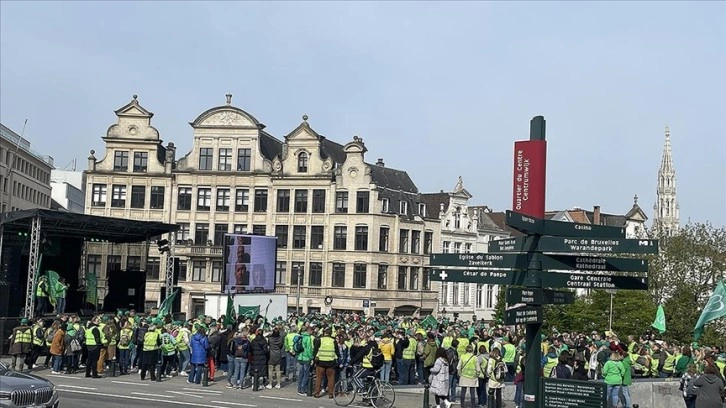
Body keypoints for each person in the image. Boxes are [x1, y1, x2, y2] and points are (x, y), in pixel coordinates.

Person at [314, 327, 340, 398]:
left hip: (320, 362)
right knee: (331, 379)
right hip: (331, 362)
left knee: (319, 378)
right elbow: (337, 352)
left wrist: (314, 360)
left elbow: (315, 350)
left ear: (324, 333)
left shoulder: (320, 340)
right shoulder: (333, 341)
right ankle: (331, 394)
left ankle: (317, 393)